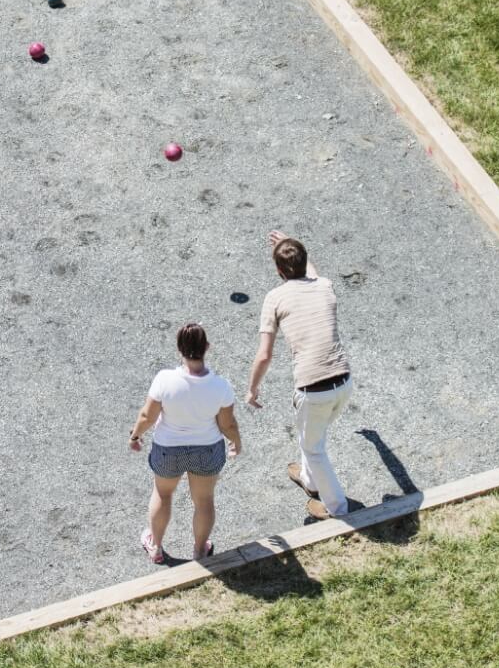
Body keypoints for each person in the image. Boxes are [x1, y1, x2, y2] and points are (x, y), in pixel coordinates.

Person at [247, 231, 354, 520]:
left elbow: (264, 354)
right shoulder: (325, 286)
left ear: (278, 271)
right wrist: (293, 244)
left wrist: (252, 389)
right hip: (344, 382)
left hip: (313, 389)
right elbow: (314, 275)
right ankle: (309, 479)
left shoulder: (274, 298)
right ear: (306, 263)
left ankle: (337, 508)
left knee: (313, 446)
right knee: (312, 434)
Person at [130, 323, 242, 563]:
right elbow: (227, 424)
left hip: (168, 449)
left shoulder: (164, 380)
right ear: (207, 347)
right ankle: (200, 549)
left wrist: (136, 436)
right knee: (204, 501)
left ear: (179, 349)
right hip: (208, 449)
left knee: (163, 493)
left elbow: (147, 416)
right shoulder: (221, 386)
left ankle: (156, 546)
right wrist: (236, 442)